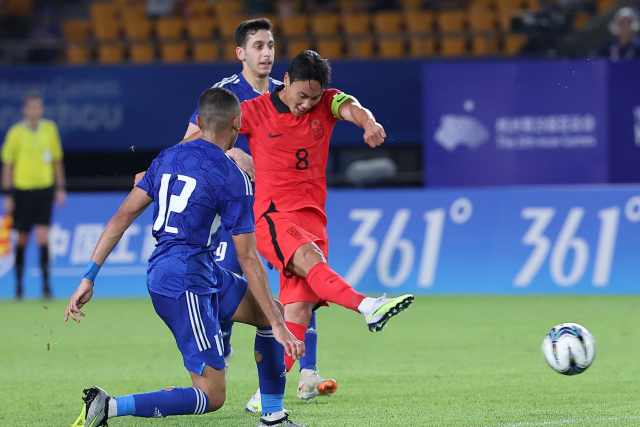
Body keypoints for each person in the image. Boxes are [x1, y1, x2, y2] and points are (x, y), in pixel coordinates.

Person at [184, 50, 414, 405]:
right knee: (309, 260)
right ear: (286, 81)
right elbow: (206, 129)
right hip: (273, 216)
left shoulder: (326, 102)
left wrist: (368, 123)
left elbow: (352, 107)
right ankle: (367, 305)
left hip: (313, 217)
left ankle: (263, 397)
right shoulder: (256, 110)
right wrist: (208, 158)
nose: (307, 104)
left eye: (314, 97)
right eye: (301, 96)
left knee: (298, 313)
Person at [65, 88, 305, 427]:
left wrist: (89, 275)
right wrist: (283, 329)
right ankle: (109, 406)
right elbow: (248, 257)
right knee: (212, 396)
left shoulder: (167, 158)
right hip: (184, 281)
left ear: (201, 122)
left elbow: (122, 216)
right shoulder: (231, 175)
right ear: (237, 123)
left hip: (193, 268)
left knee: (270, 313)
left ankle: (273, 417)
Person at [182, 18, 339, 411]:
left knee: (300, 279)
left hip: (282, 210)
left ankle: (306, 373)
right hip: (239, 215)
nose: (266, 52)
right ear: (241, 53)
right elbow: (188, 143)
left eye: (270, 45)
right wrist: (232, 152)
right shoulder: (225, 94)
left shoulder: (289, 92)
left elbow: (333, 107)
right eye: (257, 46)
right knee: (229, 290)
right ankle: (220, 359)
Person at [1, 91, 66, 299]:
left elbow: (57, 160)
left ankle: (46, 285)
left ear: (42, 109)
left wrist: (60, 188)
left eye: (38, 107)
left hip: (44, 190)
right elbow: (8, 165)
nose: (34, 111)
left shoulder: (49, 129)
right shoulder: (15, 133)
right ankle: (19, 286)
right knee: (21, 238)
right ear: (24, 110)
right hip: (22, 192)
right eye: (31, 107)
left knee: (43, 238)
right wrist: (8, 194)